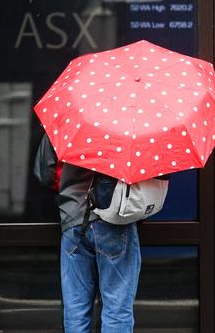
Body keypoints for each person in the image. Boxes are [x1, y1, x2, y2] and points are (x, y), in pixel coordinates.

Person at [34, 134, 141, 333]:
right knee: (117, 310)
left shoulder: (68, 115)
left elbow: (45, 173)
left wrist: (71, 186)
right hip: (114, 219)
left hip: (73, 217)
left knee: (76, 309)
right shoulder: (129, 118)